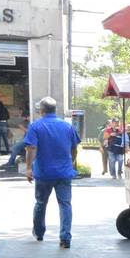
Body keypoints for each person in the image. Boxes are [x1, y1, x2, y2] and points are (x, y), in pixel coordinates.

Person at [24, 97, 81, 249]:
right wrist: (71, 162)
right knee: (65, 205)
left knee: (41, 203)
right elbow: (74, 148)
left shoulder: (36, 126)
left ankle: (39, 232)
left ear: (41, 110)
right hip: (64, 173)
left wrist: (29, 168)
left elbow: (31, 148)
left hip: (43, 173)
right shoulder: (67, 127)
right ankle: (65, 238)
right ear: (55, 110)